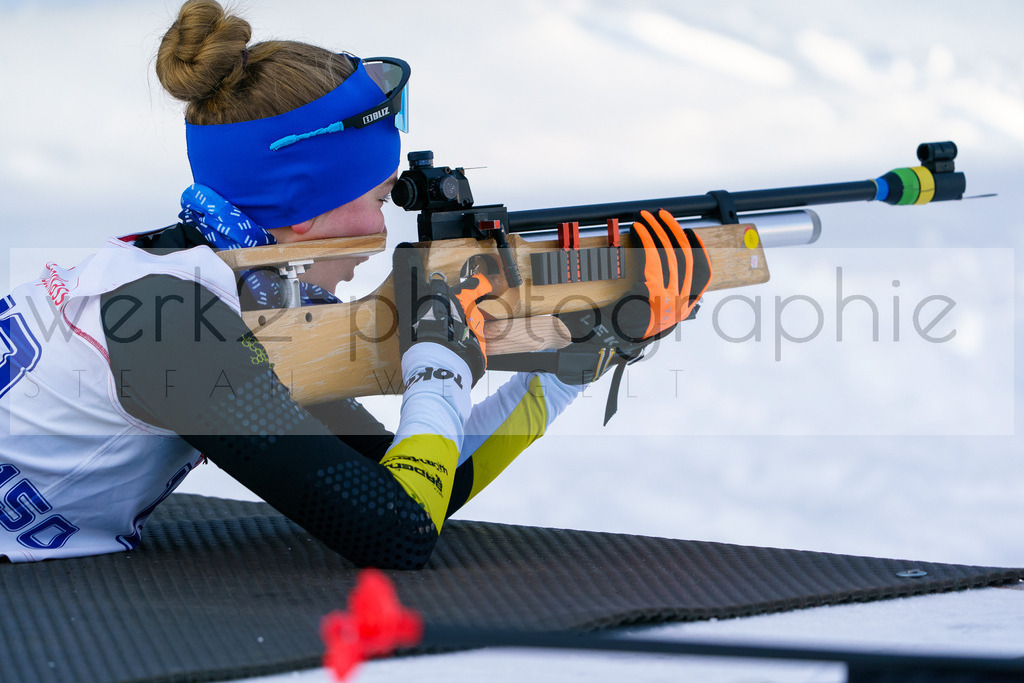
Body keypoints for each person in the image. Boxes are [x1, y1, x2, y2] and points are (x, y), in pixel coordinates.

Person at [0, 0, 709, 568]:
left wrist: (577, 360)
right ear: (305, 212)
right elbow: (395, 531)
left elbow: (426, 486)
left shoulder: (216, 289)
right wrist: (440, 356)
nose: (384, 218)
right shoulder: (175, 329)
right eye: (376, 195)